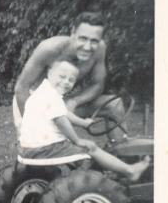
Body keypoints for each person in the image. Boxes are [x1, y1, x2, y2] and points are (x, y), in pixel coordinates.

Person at [19, 59, 149, 181]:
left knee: (82, 148)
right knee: (90, 147)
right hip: (47, 149)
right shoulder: (52, 97)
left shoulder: (43, 91)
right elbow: (61, 120)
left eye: (71, 80)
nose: (66, 82)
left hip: (28, 148)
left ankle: (92, 173)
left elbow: (66, 114)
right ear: (49, 73)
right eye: (62, 77)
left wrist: (84, 123)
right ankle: (130, 171)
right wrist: (77, 140)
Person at [14, 12, 126, 141]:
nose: (87, 47)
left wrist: (75, 101)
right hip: (34, 105)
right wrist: (33, 122)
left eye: (94, 40)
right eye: (83, 38)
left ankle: (122, 153)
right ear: (73, 32)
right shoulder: (49, 49)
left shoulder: (100, 49)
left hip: (62, 103)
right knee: (47, 149)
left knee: (114, 104)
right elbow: (21, 89)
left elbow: (98, 85)